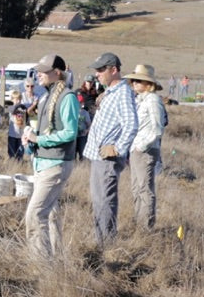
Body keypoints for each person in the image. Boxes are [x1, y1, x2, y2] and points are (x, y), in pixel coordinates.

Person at [21, 54, 79, 258]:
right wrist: (30, 140)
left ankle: (41, 269)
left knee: (35, 216)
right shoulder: (47, 96)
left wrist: (39, 140)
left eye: (44, 71)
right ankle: (56, 262)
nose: (39, 74)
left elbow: (70, 132)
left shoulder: (67, 97)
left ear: (57, 73)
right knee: (51, 214)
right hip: (44, 163)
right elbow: (45, 132)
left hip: (55, 164)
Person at [82, 52, 138, 246]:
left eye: (100, 70)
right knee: (99, 201)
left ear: (114, 70)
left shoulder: (122, 93)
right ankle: (102, 241)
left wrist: (117, 148)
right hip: (100, 156)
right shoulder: (113, 91)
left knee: (104, 201)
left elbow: (131, 124)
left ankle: (106, 245)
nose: (97, 74)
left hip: (108, 158)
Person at [125, 64, 166, 230]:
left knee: (144, 188)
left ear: (148, 83)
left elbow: (158, 128)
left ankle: (146, 226)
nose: (134, 83)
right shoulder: (139, 100)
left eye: (138, 80)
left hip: (146, 150)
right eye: (133, 80)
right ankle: (139, 221)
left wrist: (142, 146)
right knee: (136, 188)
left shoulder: (153, 100)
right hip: (136, 149)